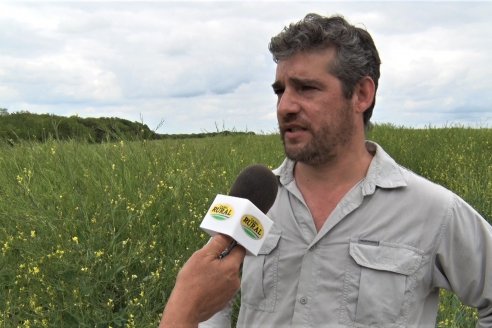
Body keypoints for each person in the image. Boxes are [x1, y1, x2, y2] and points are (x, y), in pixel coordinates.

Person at [162, 13, 492, 327]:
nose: (285, 106)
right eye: (280, 90)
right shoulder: (255, 198)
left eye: (306, 88)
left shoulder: (432, 210)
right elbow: (210, 298)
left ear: (361, 94)